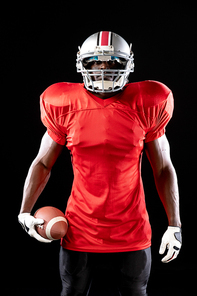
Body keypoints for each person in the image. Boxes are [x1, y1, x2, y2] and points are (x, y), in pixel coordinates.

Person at [18, 31, 182, 296]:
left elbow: (163, 168)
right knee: (72, 292)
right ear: (82, 63)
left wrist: (174, 224)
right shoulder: (62, 103)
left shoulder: (149, 101)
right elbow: (42, 163)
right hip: (80, 225)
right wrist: (24, 211)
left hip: (131, 227)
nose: (103, 69)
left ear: (127, 64)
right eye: (95, 61)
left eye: (112, 62)